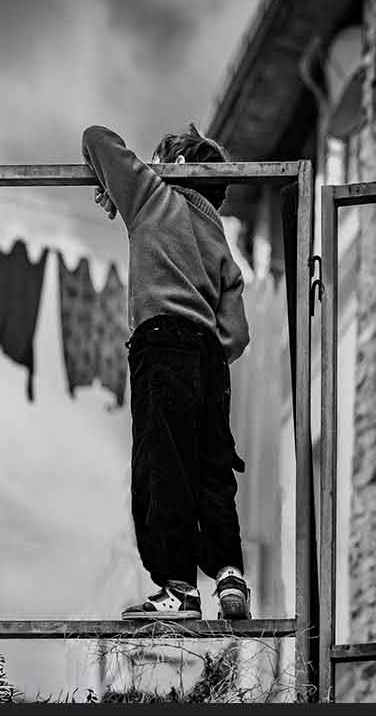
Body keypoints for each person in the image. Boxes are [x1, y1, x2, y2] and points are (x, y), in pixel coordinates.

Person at [82, 123, 251, 621]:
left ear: (173, 167)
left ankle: (178, 588)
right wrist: (205, 349)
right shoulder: (217, 238)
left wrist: (121, 182)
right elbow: (237, 335)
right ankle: (227, 572)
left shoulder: (151, 197)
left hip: (162, 347)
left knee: (163, 468)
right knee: (211, 468)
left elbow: (96, 137)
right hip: (210, 360)